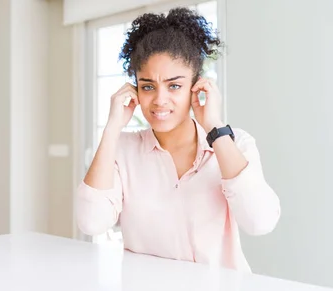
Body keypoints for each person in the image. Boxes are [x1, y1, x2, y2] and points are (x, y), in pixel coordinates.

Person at [75, 7, 280, 272]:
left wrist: (215, 128)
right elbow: (91, 222)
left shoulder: (235, 144)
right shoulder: (122, 150)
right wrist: (112, 128)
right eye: (147, 86)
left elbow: (260, 222)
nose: (160, 100)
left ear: (196, 86)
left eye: (174, 86)